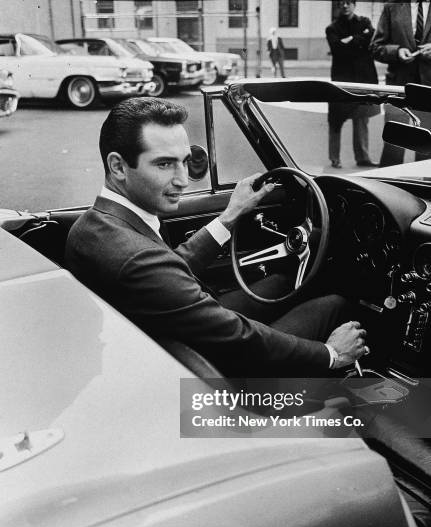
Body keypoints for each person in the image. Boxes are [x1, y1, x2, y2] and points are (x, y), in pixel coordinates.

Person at [65, 97, 368, 379]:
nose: (183, 180)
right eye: (164, 164)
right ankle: (372, 397)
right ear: (118, 166)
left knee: (285, 282)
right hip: (216, 370)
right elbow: (240, 337)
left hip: (173, 342)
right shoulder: (136, 259)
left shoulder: (91, 227)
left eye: (185, 161)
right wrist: (330, 354)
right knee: (334, 303)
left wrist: (230, 216)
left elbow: (167, 270)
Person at [371, 0, 431, 166]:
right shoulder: (393, 6)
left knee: (427, 152)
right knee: (393, 148)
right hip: (399, 87)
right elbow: (376, 47)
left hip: (429, 89)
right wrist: (396, 52)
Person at [325, 0, 379, 169]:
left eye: (348, 2)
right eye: (341, 3)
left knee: (361, 118)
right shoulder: (332, 28)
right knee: (335, 119)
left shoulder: (365, 22)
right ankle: (335, 158)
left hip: (363, 78)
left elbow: (371, 38)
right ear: (338, 6)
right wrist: (359, 41)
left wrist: (350, 40)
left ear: (354, 4)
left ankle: (363, 157)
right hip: (342, 80)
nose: (345, 6)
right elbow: (337, 48)